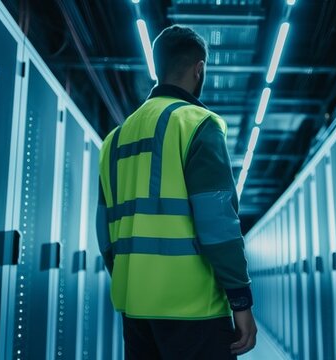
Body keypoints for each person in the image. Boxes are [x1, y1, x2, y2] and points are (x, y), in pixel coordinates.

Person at [96, 25, 257, 360]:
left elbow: (105, 234)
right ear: (199, 68)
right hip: (194, 308)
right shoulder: (196, 123)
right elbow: (218, 224)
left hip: (136, 308)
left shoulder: (114, 139)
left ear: (158, 67)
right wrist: (240, 299)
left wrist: (137, 279)